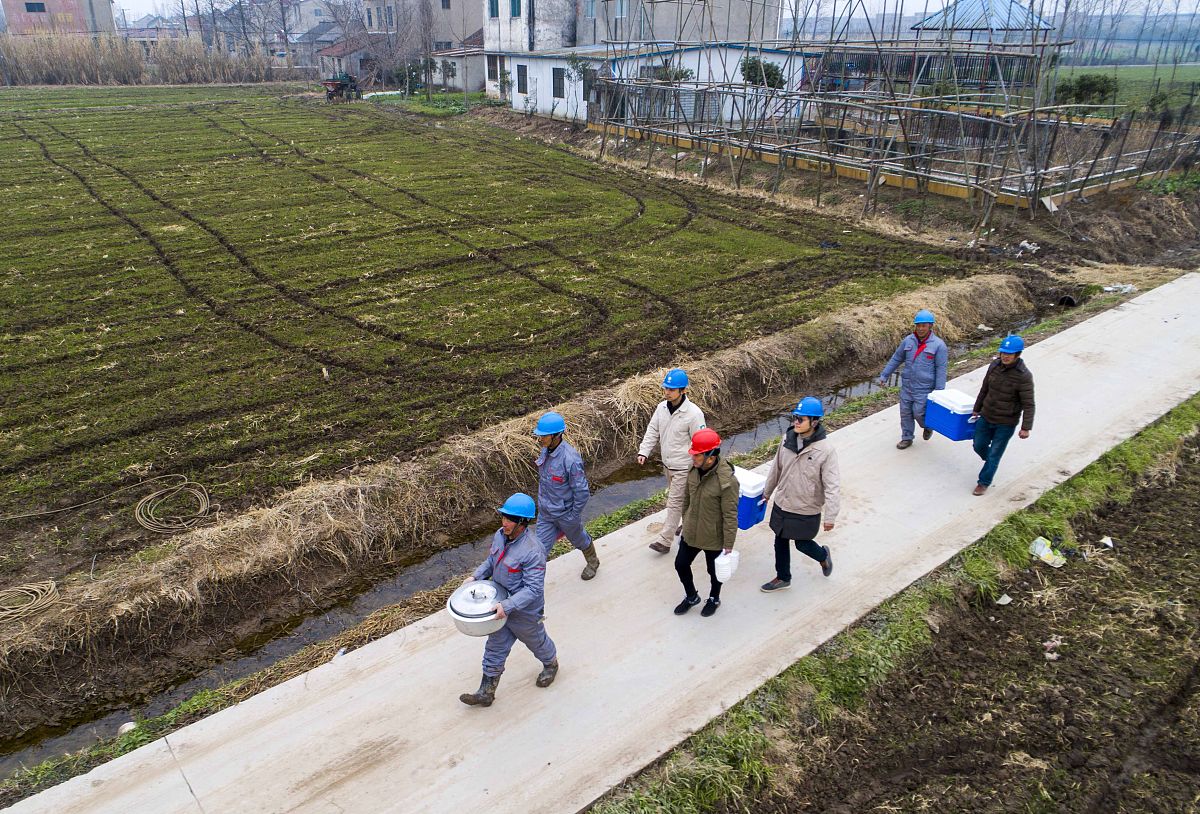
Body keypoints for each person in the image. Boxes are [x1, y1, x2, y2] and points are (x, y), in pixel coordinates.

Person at [459, 493, 558, 707]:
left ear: (522, 523)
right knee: (495, 647)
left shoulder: (533, 551)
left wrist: (508, 606)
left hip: (524, 612)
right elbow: (491, 561)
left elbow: (533, 589)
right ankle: (486, 692)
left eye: (510, 519)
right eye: (503, 517)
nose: (504, 522)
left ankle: (551, 664)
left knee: (536, 642)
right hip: (500, 605)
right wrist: (475, 576)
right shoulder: (500, 535)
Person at [760, 397, 840, 592]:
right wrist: (767, 493)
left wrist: (830, 516)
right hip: (783, 502)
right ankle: (783, 577)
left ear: (814, 422)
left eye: (801, 419)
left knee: (802, 544)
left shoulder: (826, 451)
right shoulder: (787, 440)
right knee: (780, 539)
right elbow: (776, 469)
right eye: (795, 417)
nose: (796, 422)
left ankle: (822, 556)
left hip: (806, 507)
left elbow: (832, 485)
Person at [638, 368, 707, 554]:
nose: (667, 392)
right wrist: (644, 451)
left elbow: (701, 442)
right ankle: (688, 524)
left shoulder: (693, 414)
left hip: (684, 467)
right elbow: (653, 430)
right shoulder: (661, 408)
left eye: (671, 389)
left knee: (674, 502)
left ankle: (665, 540)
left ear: (683, 390)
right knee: (684, 499)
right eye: (665, 388)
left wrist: (701, 467)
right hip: (668, 465)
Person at [673, 428, 738, 618]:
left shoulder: (727, 482)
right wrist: (685, 521)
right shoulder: (693, 470)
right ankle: (692, 596)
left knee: (714, 571)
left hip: (713, 535)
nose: (693, 458)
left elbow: (730, 514)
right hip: (692, 530)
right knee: (681, 564)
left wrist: (728, 543)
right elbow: (687, 498)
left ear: (710, 457)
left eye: (697, 455)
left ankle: (714, 598)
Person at [532, 411, 599, 580]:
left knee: (579, 540)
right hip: (546, 513)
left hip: (565, 514)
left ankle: (593, 561)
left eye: (544, 436)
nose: (540, 439)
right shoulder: (545, 451)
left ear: (557, 435)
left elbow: (582, 492)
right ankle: (531, 583)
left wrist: (573, 516)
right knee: (539, 549)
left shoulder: (570, 459)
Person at [970, 335, 1035, 496]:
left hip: (1005, 423)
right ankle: (991, 462)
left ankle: (983, 482)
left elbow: (1029, 404)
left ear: (1017, 355)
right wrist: (976, 409)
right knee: (978, 445)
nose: (1005, 356)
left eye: (1009, 354)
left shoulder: (1023, 376)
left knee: (994, 454)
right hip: (986, 415)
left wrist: (1026, 427)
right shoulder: (994, 366)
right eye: (1003, 353)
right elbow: (984, 389)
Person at [878, 309, 948, 449]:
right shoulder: (908, 341)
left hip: (924, 389)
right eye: (918, 325)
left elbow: (941, 369)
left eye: (924, 325)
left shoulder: (938, 345)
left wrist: (939, 391)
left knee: (919, 413)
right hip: (907, 386)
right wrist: (885, 375)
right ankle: (907, 438)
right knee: (905, 413)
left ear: (930, 326)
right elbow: (897, 358)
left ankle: (927, 426)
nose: (921, 328)